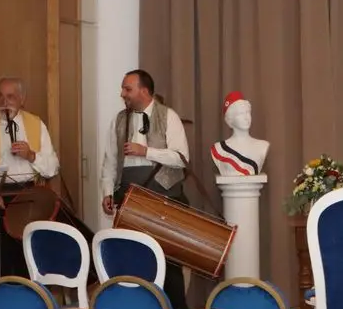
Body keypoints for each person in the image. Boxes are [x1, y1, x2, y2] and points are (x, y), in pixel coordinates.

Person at [0, 76, 59, 278]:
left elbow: (52, 169)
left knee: (29, 263)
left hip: (30, 200)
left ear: (22, 99)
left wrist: (31, 155)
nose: (4, 102)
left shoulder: (36, 124)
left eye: (11, 97)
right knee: (0, 264)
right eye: (0, 96)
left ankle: (31, 298)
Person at [100, 69, 190, 217]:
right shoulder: (118, 120)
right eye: (122, 89)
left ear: (144, 91)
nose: (122, 94)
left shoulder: (169, 116)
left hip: (165, 200)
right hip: (128, 201)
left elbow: (181, 159)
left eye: (128, 89)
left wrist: (146, 152)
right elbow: (109, 163)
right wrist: (107, 193)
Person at [210, 92, 269, 177]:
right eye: (240, 114)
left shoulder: (263, 146)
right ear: (230, 120)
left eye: (247, 112)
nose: (246, 117)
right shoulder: (219, 149)